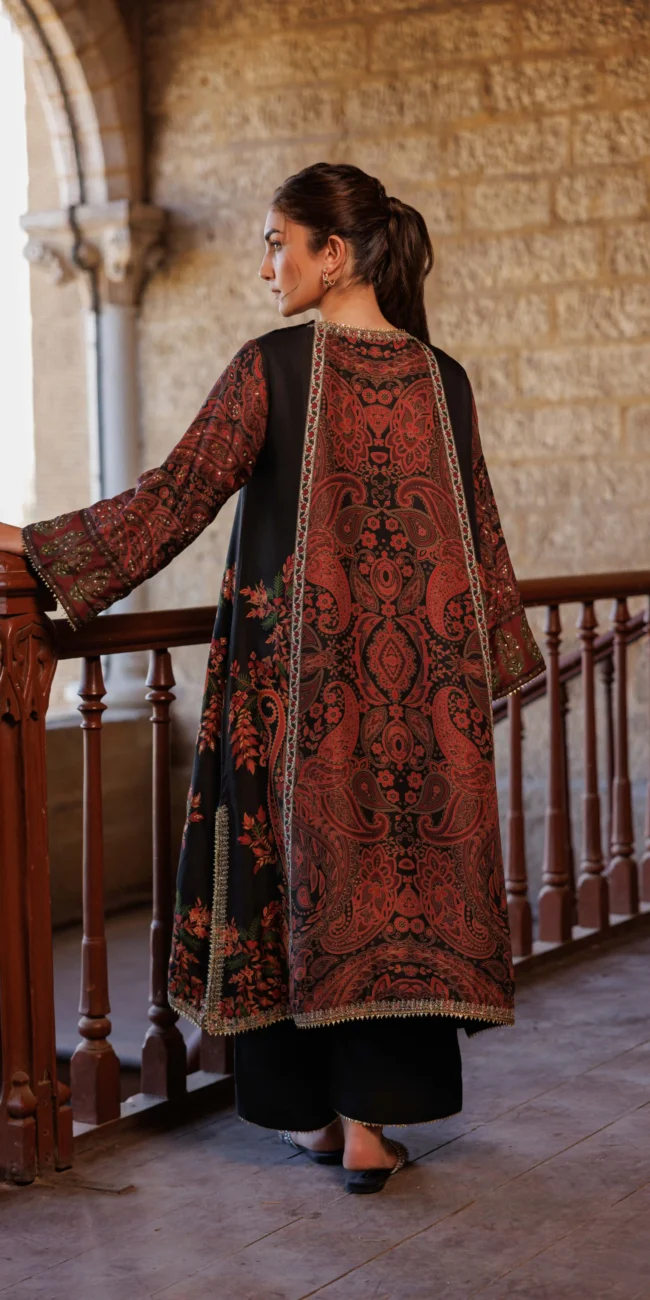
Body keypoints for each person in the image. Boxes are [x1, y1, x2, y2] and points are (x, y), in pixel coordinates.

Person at [0, 162, 544, 1194]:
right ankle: (370, 1125)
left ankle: (316, 1120)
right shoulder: (445, 379)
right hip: (419, 709)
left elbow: (176, 498)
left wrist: (37, 549)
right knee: (394, 885)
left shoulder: (272, 368)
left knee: (293, 878)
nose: (265, 267)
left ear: (331, 254)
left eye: (276, 243)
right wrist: (477, 684)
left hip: (294, 700)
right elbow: (478, 542)